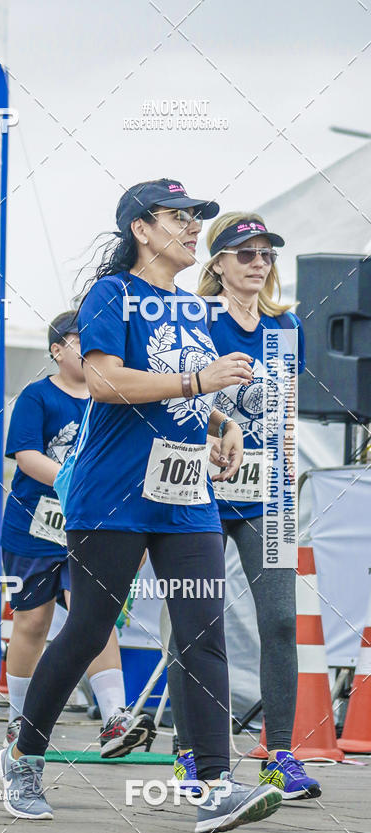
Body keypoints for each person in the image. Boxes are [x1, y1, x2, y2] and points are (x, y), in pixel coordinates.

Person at [0, 179, 284, 833]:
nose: (191, 227)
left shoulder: (189, 308)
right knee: (88, 632)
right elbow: (102, 380)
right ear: (141, 231)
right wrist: (198, 382)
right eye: (177, 217)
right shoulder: (113, 295)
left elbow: (189, 393)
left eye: (195, 218)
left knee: (204, 630)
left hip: (185, 497)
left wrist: (220, 424)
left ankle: (213, 784)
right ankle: (24, 757)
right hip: (113, 498)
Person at [167, 212, 321, 800]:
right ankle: (189, 755)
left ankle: (279, 753)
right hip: (196, 488)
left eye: (266, 255)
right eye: (246, 253)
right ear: (218, 264)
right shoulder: (192, 317)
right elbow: (171, 394)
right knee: (195, 623)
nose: (259, 263)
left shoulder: (286, 328)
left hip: (265, 494)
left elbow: (282, 412)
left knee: (280, 620)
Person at [0, 311, 155, 759]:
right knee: (33, 621)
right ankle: (20, 719)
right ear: (56, 350)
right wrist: (74, 484)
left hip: (95, 526)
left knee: (95, 615)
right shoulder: (38, 396)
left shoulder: (113, 399)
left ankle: (114, 718)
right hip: (35, 525)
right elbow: (27, 456)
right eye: (77, 341)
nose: (88, 349)